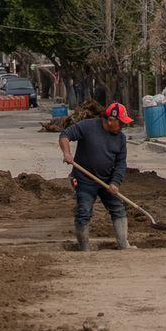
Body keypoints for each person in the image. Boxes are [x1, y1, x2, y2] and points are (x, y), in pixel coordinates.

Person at [57, 102, 134, 252]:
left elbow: (120, 164)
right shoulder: (88, 127)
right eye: (121, 123)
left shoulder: (120, 139)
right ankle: (84, 247)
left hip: (107, 181)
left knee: (118, 208)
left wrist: (115, 182)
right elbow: (65, 135)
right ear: (110, 120)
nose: (123, 127)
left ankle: (124, 244)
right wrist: (67, 153)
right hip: (84, 179)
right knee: (84, 211)